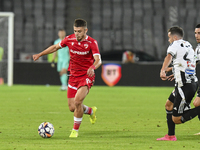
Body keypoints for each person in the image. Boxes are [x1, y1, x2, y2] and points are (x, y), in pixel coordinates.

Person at [33, 19, 102, 138]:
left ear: (86, 30)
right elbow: (55, 47)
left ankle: (75, 131)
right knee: (72, 107)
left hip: (86, 76)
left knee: (77, 101)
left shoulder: (92, 42)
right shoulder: (69, 39)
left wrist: (92, 67)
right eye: (75, 31)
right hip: (73, 76)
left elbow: (98, 60)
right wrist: (40, 54)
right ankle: (91, 111)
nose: (77, 34)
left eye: (79, 31)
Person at [157, 26, 200, 141]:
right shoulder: (189, 46)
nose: (169, 40)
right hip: (189, 82)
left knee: (176, 119)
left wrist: (163, 70)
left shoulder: (174, 45)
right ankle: (170, 136)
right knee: (168, 105)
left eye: (169, 37)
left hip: (184, 85)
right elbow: (189, 63)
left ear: (174, 37)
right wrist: (174, 71)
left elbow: (169, 57)